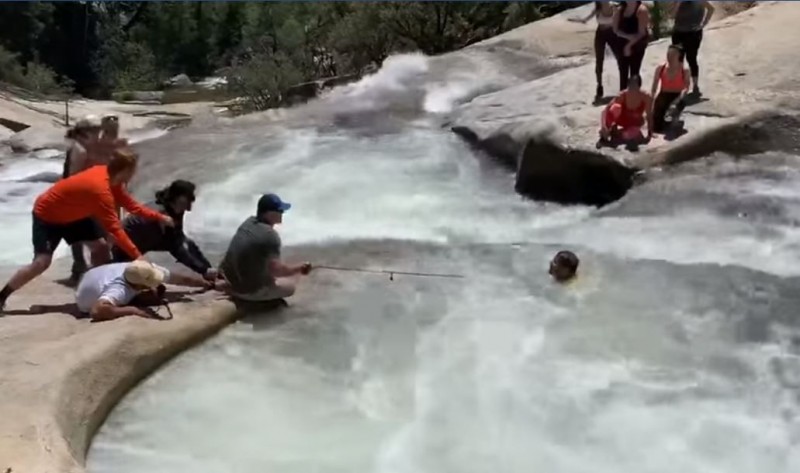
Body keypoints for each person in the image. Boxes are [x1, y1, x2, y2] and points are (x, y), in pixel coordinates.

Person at [0, 148, 173, 311]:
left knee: (101, 247)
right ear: (125, 170)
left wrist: (159, 217)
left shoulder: (114, 180)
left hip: (75, 213)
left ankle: (104, 291)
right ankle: (2, 296)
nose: (135, 173)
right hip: (48, 215)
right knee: (41, 263)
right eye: (133, 169)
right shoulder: (100, 189)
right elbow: (115, 229)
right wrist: (138, 257)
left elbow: (131, 205)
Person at [112, 180, 218, 281]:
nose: (192, 201)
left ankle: (210, 271)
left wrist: (207, 267)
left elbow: (180, 238)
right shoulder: (162, 214)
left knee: (188, 242)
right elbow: (175, 249)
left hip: (146, 242)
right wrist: (202, 270)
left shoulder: (176, 209)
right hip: (123, 249)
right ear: (178, 197)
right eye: (189, 197)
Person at [219, 193, 312, 303]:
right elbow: (277, 271)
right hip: (245, 291)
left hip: (228, 281)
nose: (283, 213)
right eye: (280, 211)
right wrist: (300, 268)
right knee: (290, 286)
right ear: (269, 213)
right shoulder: (270, 235)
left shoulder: (248, 223)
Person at [76, 260, 221, 321]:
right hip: (85, 300)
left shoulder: (140, 268)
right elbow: (97, 311)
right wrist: (132, 310)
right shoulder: (120, 289)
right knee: (150, 298)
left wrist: (205, 283)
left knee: (158, 290)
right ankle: (135, 301)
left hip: (93, 276)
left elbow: (179, 279)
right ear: (137, 286)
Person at [63, 115, 103, 281]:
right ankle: (88, 271)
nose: (99, 133)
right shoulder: (80, 150)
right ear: (86, 132)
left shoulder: (78, 146)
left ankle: (80, 267)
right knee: (90, 236)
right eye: (96, 130)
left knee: (80, 236)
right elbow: (74, 177)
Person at [571, 2, 619, 102]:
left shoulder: (614, 7)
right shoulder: (598, 9)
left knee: (620, 57)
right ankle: (599, 86)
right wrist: (578, 20)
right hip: (600, 34)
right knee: (599, 60)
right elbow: (585, 20)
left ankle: (625, 81)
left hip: (612, 34)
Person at [670, 0, 715, 96]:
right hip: (678, 32)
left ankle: (695, 86)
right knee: (678, 60)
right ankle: (680, 85)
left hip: (693, 33)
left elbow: (711, 9)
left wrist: (703, 24)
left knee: (691, 58)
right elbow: (672, 15)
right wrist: (678, 3)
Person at [599, 75, 653, 145]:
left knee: (632, 135)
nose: (632, 89)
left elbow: (649, 116)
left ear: (639, 87)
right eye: (630, 86)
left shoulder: (646, 97)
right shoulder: (622, 95)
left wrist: (650, 134)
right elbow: (605, 110)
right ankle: (607, 131)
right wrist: (604, 126)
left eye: (634, 86)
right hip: (621, 119)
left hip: (634, 123)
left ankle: (616, 132)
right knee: (616, 107)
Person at [650, 44, 691, 134]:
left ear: (679, 56)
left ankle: (676, 118)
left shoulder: (684, 70)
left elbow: (686, 87)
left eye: (673, 54)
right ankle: (663, 120)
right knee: (656, 126)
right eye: (668, 54)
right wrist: (651, 100)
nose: (670, 56)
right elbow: (654, 85)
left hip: (678, 95)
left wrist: (677, 100)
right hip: (664, 93)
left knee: (677, 106)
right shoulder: (661, 68)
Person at [612, 0, 651, 91]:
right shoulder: (620, 9)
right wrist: (627, 37)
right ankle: (622, 96)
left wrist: (629, 45)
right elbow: (615, 29)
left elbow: (641, 33)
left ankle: (635, 96)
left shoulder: (641, 10)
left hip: (637, 44)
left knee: (634, 72)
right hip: (621, 43)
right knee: (623, 71)